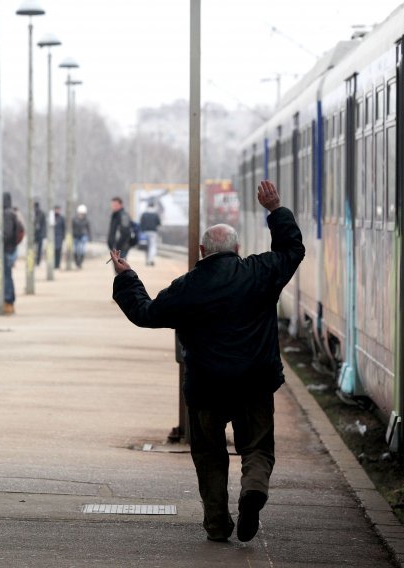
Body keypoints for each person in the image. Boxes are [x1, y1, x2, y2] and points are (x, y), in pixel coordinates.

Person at [110, 180, 304, 543]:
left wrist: (127, 277)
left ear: (202, 251)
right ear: (237, 248)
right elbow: (292, 250)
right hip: (254, 382)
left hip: (206, 387)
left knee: (211, 457)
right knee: (258, 447)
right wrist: (275, 210)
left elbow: (146, 313)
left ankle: (217, 524)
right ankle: (253, 489)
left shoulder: (187, 287)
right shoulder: (259, 273)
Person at [3, 193, 24, 314]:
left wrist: (1, 242)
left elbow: (7, 233)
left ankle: (8, 301)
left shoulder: (6, 214)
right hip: (11, 248)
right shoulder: (13, 213)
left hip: (7, 249)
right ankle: (8, 300)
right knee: (8, 275)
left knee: (6, 276)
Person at [72, 204, 91, 269]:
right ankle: (77, 262)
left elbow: (88, 229)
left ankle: (80, 263)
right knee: (75, 250)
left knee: (82, 250)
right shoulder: (74, 219)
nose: (81, 215)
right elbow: (72, 228)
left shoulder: (86, 220)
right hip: (75, 236)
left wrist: (90, 236)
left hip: (83, 236)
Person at [34, 201, 46, 267]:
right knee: (35, 249)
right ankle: (36, 260)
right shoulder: (33, 213)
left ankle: (37, 261)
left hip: (40, 234)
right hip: (35, 234)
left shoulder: (41, 214)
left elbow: (43, 224)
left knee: (39, 249)